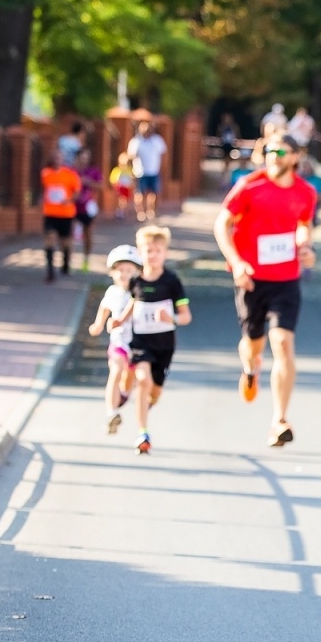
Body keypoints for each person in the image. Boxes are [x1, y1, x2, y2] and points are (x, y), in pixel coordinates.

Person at [214, 135, 317, 447]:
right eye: (270, 150)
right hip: (251, 279)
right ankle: (249, 368)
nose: (274, 155)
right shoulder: (249, 185)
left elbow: (303, 224)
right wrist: (236, 262)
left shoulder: (305, 192)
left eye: (281, 151)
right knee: (253, 345)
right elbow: (222, 224)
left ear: (295, 156)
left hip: (286, 279)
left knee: (283, 342)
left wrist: (305, 246)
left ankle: (279, 420)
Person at [124, 226, 191, 455]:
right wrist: (119, 320)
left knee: (155, 390)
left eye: (158, 250)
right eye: (148, 250)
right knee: (142, 381)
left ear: (166, 253)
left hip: (164, 345)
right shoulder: (135, 281)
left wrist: (169, 317)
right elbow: (133, 303)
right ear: (140, 253)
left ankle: (148, 403)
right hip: (141, 342)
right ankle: (143, 432)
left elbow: (185, 316)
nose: (153, 255)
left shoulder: (171, 281)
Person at [88, 244, 141, 435]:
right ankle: (111, 412)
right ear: (112, 272)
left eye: (129, 270)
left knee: (129, 380)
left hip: (137, 344)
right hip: (118, 342)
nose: (124, 274)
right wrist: (98, 325)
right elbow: (104, 308)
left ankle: (123, 397)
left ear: (137, 271)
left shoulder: (140, 292)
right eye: (120, 270)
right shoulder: (112, 292)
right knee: (116, 371)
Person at [39, 152, 82, 281]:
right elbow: (43, 190)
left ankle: (65, 265)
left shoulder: (70, 175)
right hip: (50, 213)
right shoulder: (45, 173)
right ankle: (50, 270)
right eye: (55, 158)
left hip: (66, 214)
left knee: (65, 242)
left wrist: (68, 201)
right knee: (50, 239)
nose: (57, 160)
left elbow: (76, 192)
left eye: (59, 158)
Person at [127, 119, 169, 222]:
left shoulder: (157, 140)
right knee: (139, 193)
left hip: (154, 171)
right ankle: (140, 212)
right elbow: (130, 155)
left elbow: (163, 154)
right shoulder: (136, 141)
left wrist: (163, 168)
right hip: (140, 171)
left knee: (153, 193)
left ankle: (151, 211)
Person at [75, 148, 103, 271]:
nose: (84, 160)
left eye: (87, 157)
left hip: (88, 207)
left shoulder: (93, 171)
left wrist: (87, 182)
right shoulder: (72, 171)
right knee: (70, 235)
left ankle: (86, 260)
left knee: (88, 233)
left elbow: (101, 186)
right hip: (72, 207)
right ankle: (69, 261)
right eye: (82, 157)